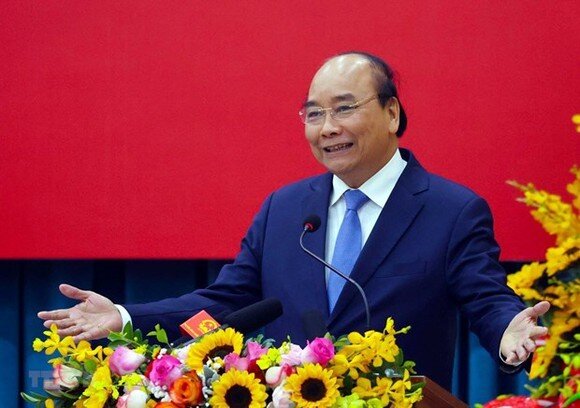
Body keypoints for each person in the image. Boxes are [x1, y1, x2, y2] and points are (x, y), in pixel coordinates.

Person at [39, 51, 549, 391]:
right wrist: (125, 316)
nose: (327, 128)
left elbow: (485, 298)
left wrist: (507, 330)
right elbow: (224, 305)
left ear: (392, 113)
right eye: (313, 114)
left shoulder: (451, 210)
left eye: (344, 109)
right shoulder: (284, 209)